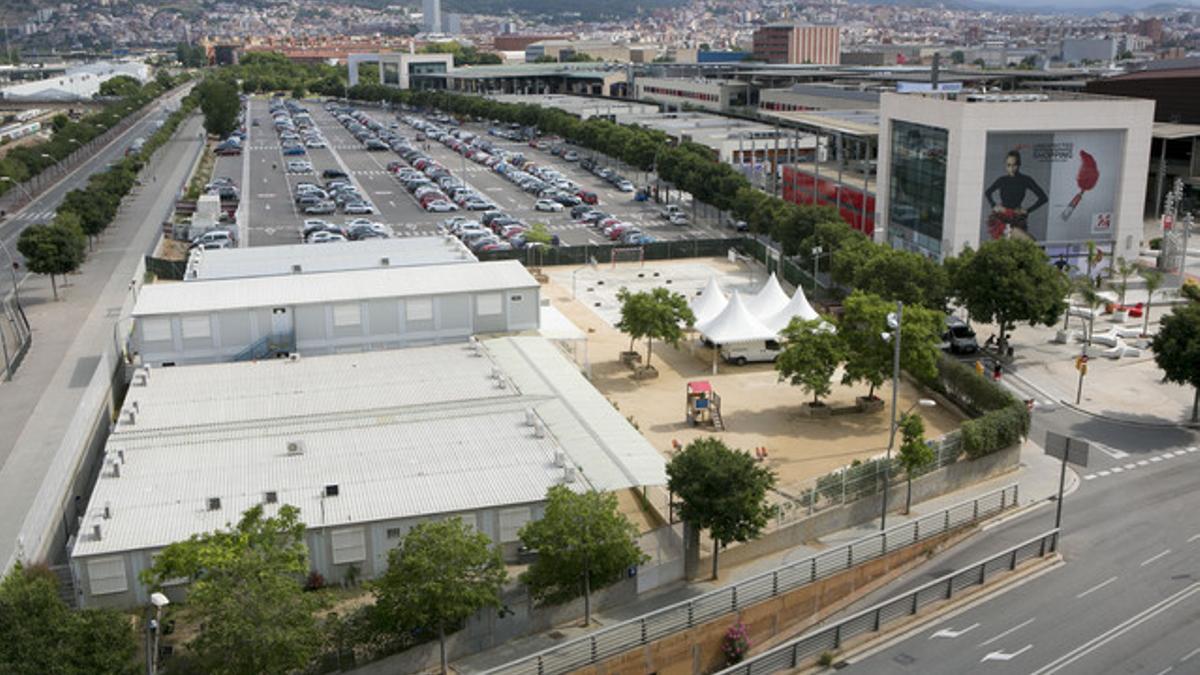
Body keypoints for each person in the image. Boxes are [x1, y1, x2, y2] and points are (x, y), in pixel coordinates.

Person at [984, 150, 1048, 241]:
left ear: (1019, 165)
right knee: (1029, 243)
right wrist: (994, 205)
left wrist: (1027, 210)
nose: (1011, 168)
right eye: (1008, 165)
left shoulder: (1025, 180)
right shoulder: (1002, 180)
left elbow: (1043, 198)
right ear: (1005, 165)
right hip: (1002, 218)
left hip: (1017, 218)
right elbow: (988, 192)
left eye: (1014, 165)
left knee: (1024, 245)